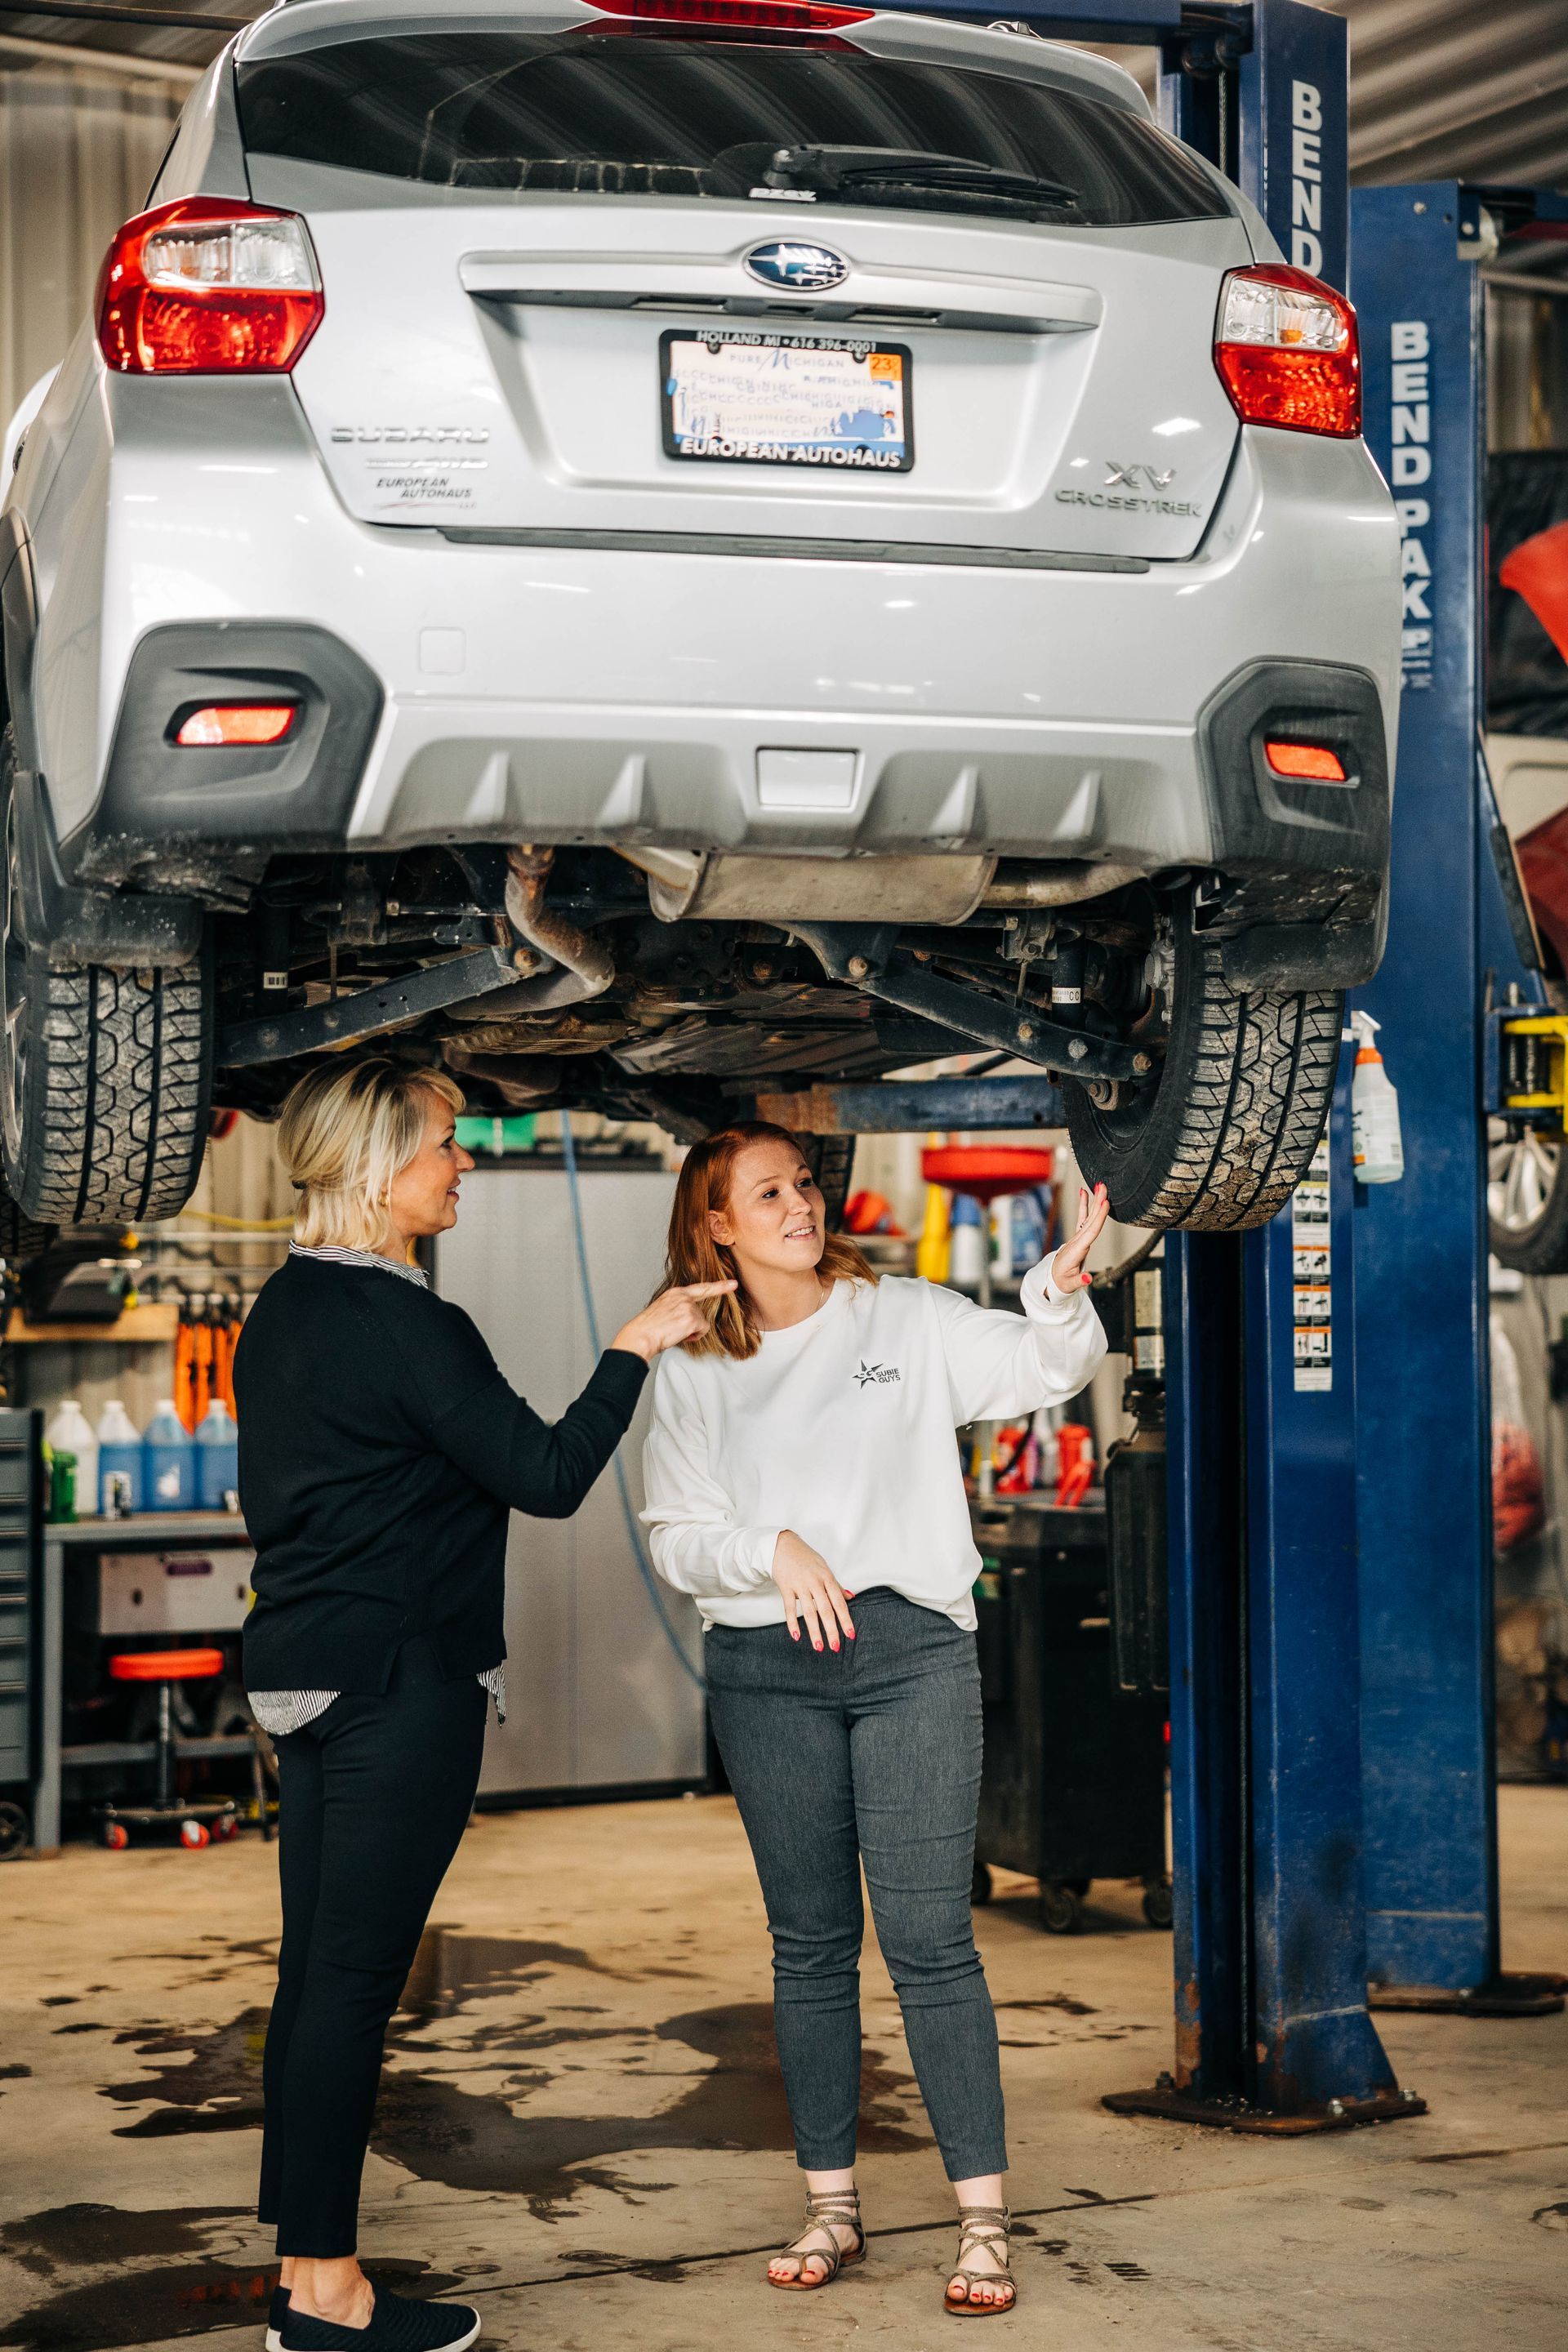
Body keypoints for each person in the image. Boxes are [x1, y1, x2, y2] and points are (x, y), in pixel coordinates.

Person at [237, 1058, 731, 2352]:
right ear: (376, 1164)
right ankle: (330, 2295)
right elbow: (552, 1475)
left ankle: (299, 2271)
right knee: (350, 1986)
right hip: (403, 1686)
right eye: (449, 1145)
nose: (466, 1163)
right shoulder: (412, 1323)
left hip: (304, 1680)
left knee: (315, 1982)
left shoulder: (281, 1310)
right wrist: (636, 1344)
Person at [641, 1123, 1108, 2319]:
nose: (801, 1203)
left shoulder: (900, 1316)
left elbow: (1042, 1369)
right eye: (769, 1193)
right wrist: (772, 1547)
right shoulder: (693, 1365)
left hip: (908, 1658)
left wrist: (1055, 1287)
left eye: (804, 1182)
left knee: (930, 1941)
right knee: (808, 1945)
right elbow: (676, 1537)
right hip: (766, 1667)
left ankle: (984, 2226)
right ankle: (832, 2208)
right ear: (717, 1228)